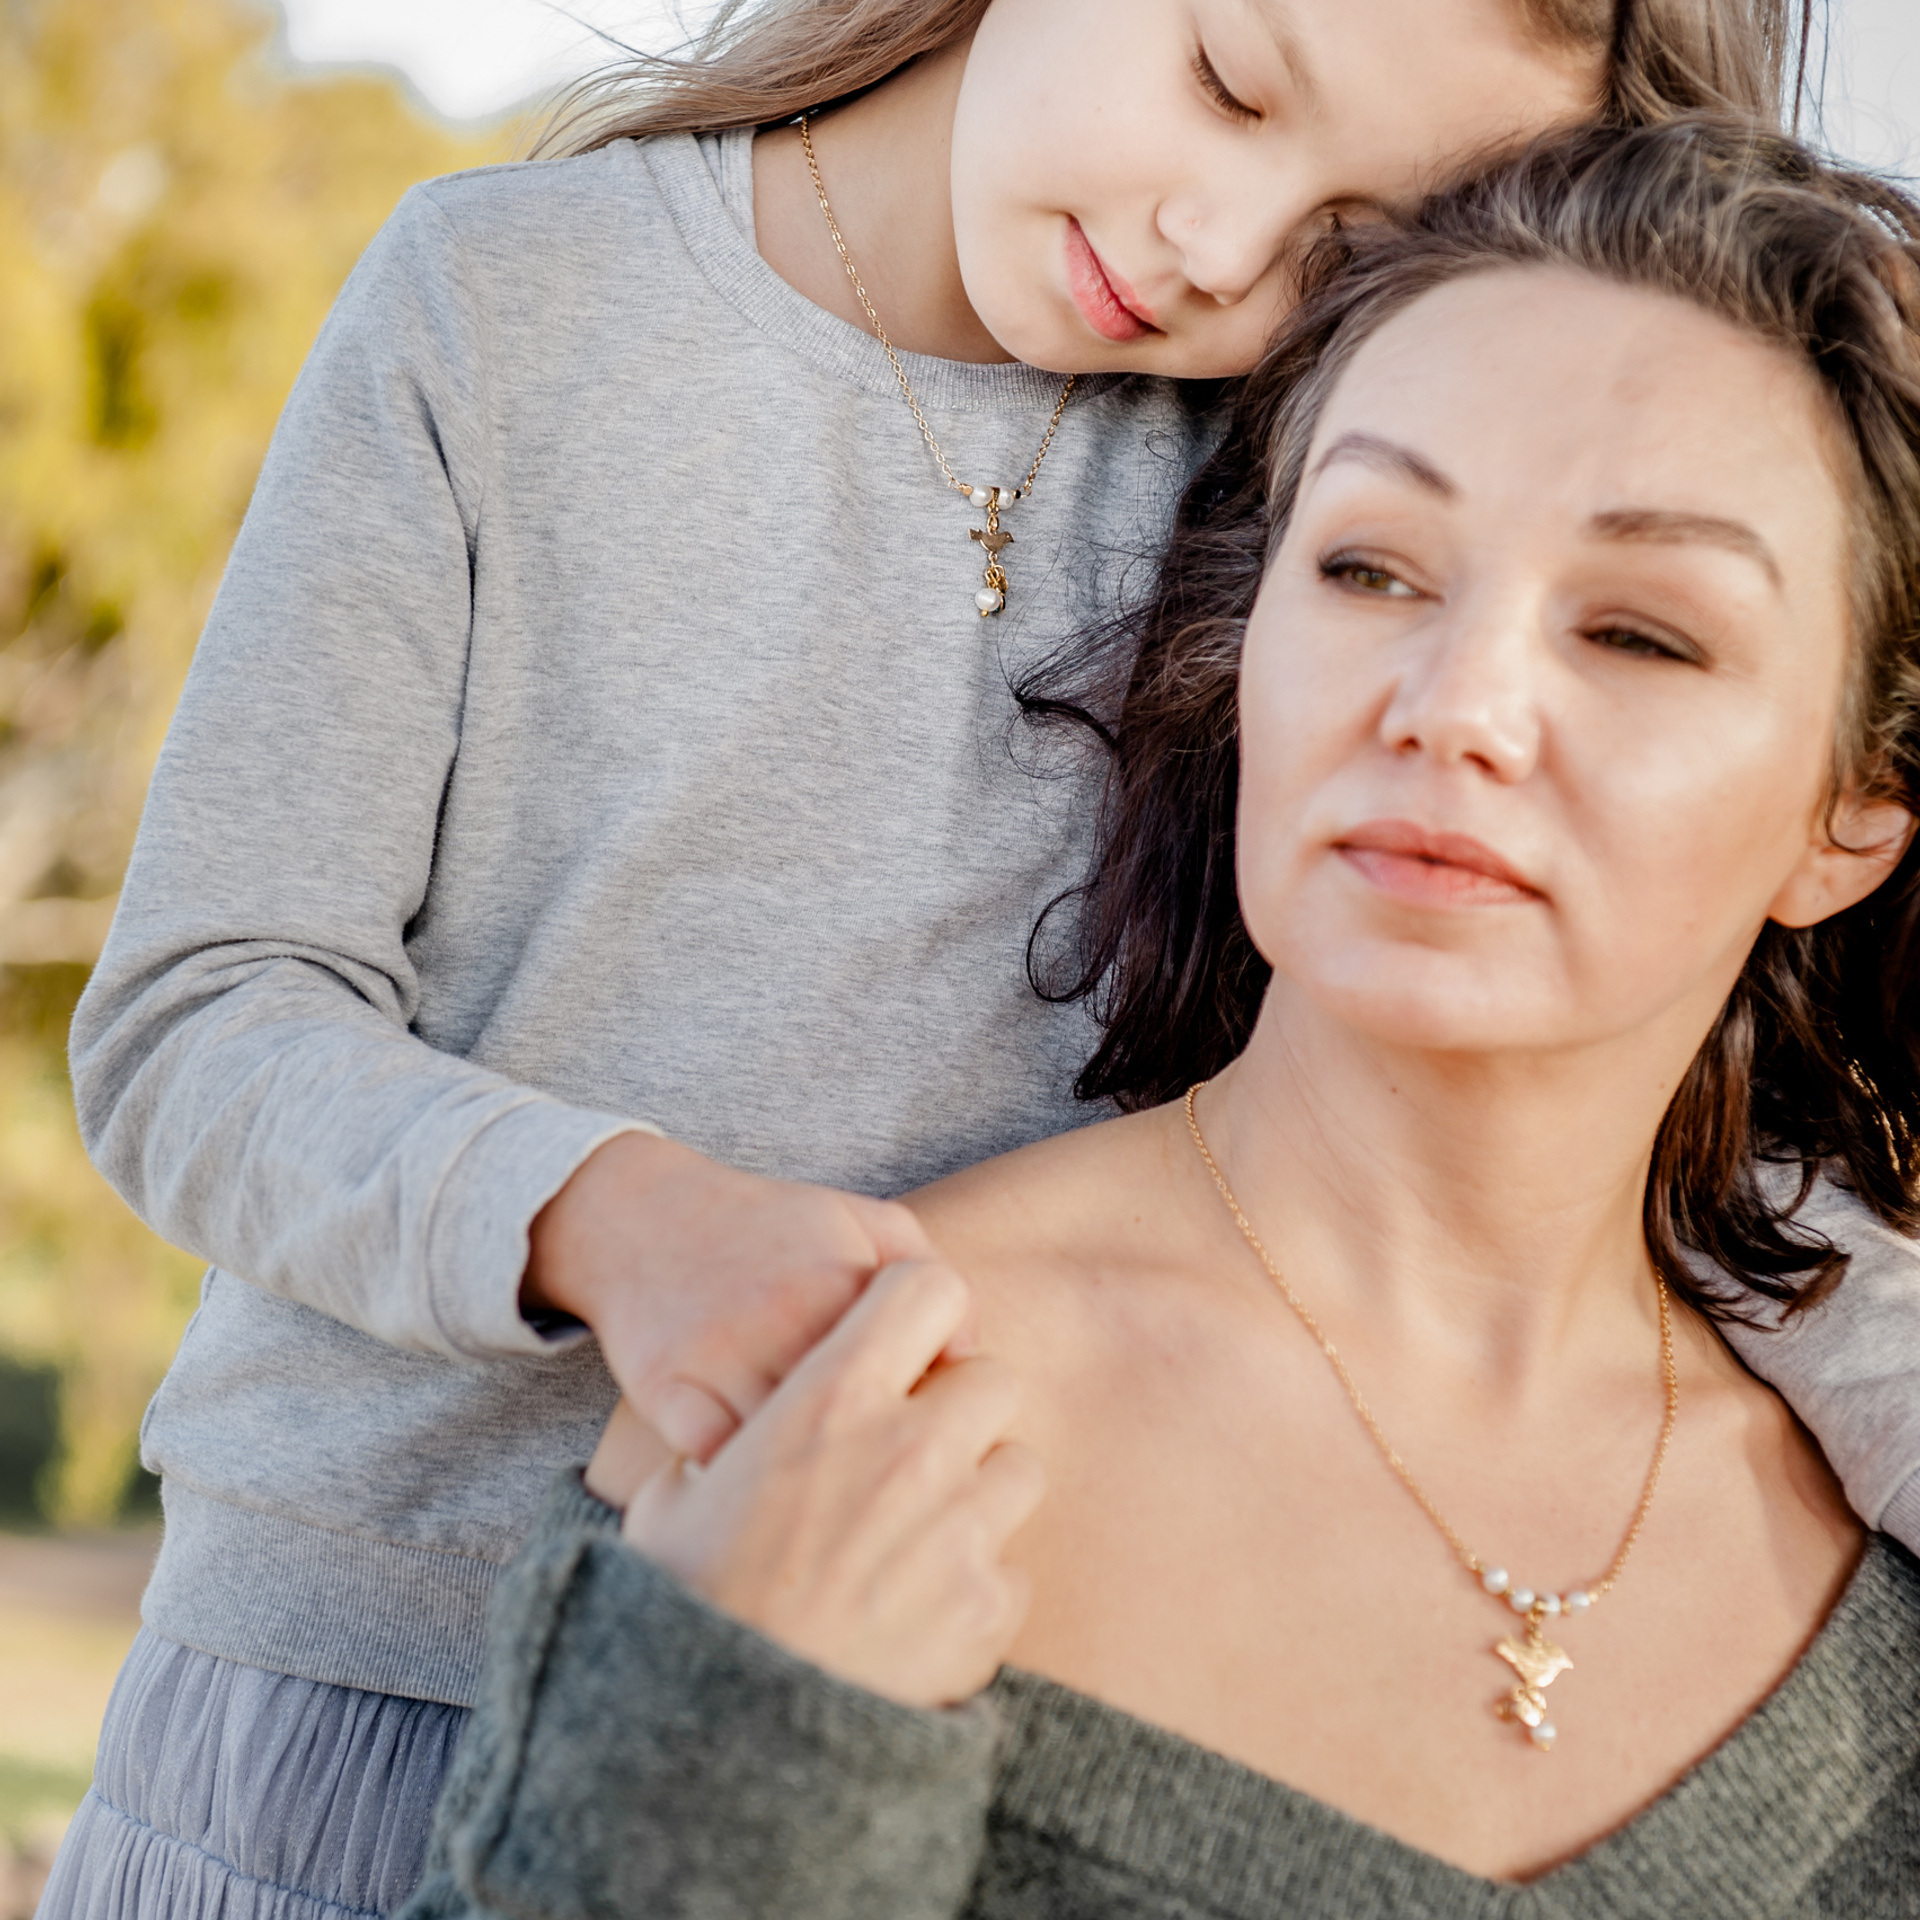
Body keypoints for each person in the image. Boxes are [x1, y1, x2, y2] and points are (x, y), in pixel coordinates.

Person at [36, 1, 1896, 1915]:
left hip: (968, 1698)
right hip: (357, 1682)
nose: (1222, 247)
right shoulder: (509, 301)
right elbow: (202, 1016)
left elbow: (1587, 1080)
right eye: (1229, 85)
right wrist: (620, 1223)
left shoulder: (1313, 460)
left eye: (1353, 240)